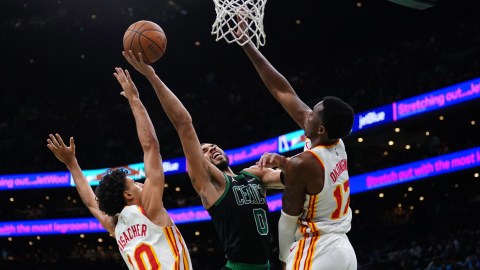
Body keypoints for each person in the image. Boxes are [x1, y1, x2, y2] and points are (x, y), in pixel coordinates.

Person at [121, 50, 284, 270]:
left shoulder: (254, 174)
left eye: (213, 146)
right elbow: (184, 124)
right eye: (204, 150)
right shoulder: (208, 183)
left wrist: (284, 162)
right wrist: (152, 76)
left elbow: (293, 177)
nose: (212, 148)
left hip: (267, 266)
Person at [46, 67, 192, 269]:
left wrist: (72, 164)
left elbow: (90, 202)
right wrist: (134, 99)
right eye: (135, 184)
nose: (142, 184)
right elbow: (150, 146)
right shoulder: (149, 209)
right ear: (128, 195)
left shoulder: (116, 226)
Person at [241, 39, 358, 269]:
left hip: (317, 250)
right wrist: (247, 45)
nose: (307, 113)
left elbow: (287, 221)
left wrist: (285, 260)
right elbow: (283, 91)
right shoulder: (336, 143)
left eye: (313, 113)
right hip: (344, 250)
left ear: (321, 129)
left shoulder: (304, 162)